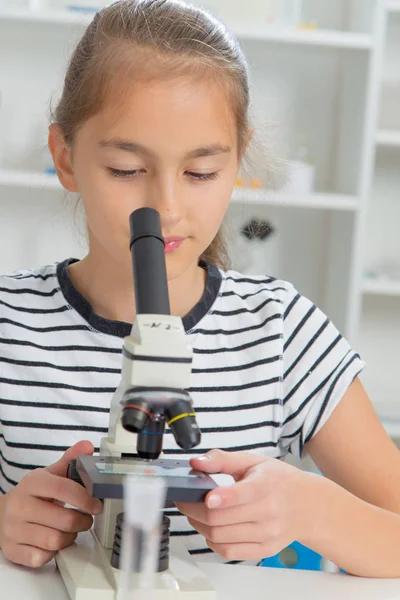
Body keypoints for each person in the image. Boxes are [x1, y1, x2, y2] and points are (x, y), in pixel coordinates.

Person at [0, 0, 399, 577]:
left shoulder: (282, 331)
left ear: (237, 163)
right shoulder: (10, 323)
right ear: (65, 157)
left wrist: (312, 510)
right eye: (126, 169)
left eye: (200, 173)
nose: (165, 207)